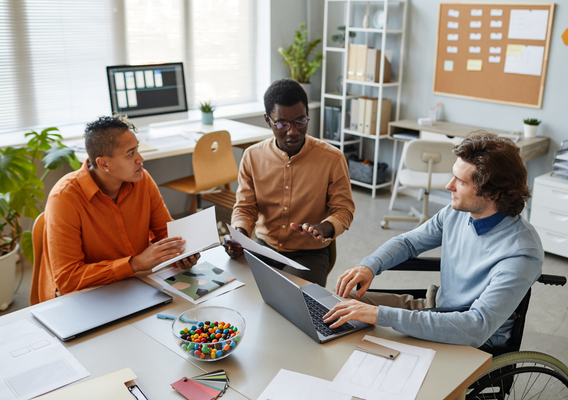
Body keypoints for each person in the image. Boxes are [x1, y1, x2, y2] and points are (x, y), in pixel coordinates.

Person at [324, 132, 544, 348]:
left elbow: (476, 326)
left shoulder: (521, 252)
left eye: (460, 181)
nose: (448, 186)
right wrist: (370, 266)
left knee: (364, 328)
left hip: (467, 339)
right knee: (341, 303)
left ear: (494, 193)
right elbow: (409, 242)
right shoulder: (456, 212)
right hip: (434, 308)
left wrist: (381, 315)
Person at [37, 116, 200, 303]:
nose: (140, 159)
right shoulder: (65, 197)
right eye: (131, 154)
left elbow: (165, 232)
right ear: (103, 164)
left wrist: (180, 253)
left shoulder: (142, 180)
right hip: (84, 297)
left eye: (137, 149)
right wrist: (135, 263)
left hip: (134, 285)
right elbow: (68, 279)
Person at [223, 79, 355, 286]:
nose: (293, 131)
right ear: (268, 120)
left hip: (309, 254)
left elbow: (343, 210)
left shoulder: (332, 158)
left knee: (295, 304)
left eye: (300, 121)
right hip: (264, 248)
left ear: (308, 116)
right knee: (234, 290)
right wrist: (240, 237)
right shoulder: (252, 156)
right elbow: (245, 207)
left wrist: (324, 228)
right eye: (282, 124)